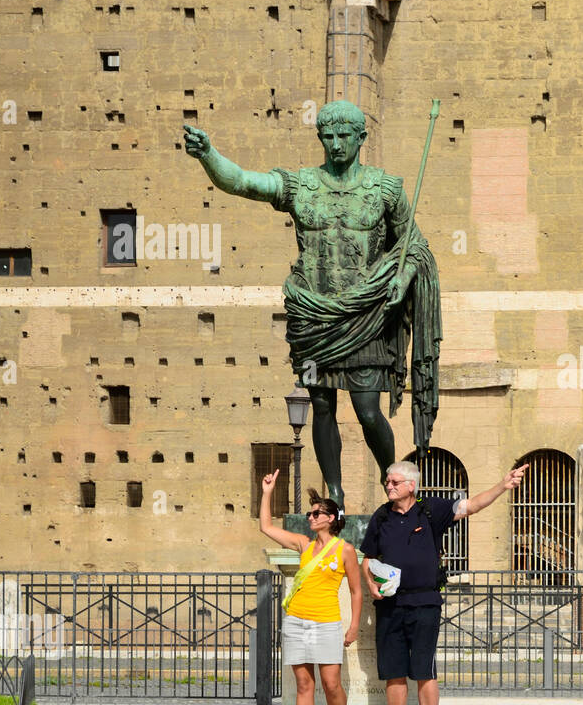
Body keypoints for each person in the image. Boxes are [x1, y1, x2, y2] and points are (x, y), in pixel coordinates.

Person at [183, 99, 442, 513]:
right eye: (328, 136)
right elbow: (242, 183)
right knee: (321, 403)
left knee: (368, 409)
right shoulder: (301, 185)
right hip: (313, 316)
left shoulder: (385, 189)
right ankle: (335, 495)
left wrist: (404, 278)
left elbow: (415, 248)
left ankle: (390, 478)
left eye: (344, 136)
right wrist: (209, 155)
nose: (336, 144)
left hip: (366, 316)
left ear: (361, 138)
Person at [363, 460, 528, 705]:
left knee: (424, 671)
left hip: (425, 602)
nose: (389, 486)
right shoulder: (381, 516)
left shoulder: (431, 510)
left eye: (395, 482)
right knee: (394, 673)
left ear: (411, 485)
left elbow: (472, 506)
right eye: (387, 482)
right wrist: (371, 583)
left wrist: (503, 486)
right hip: (389, 604)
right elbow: (368, 557)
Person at [259, 470, 363, 705]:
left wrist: (353, 625)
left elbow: (356, 591)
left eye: (317, 513)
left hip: (327, 622)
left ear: (331, 518)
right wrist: (267, 492)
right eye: (310, 513)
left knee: (331, 684)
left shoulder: (345, 550)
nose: (311, 517)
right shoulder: (303, 545)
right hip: (296, 621)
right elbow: (266, 527)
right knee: (304, 685)